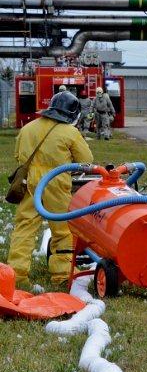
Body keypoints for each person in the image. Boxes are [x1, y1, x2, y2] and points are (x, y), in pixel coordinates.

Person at [7, 91, 93, 290]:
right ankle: (62, 274)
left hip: (30, 182)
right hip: (56, 182)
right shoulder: (70, 132)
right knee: (62, 229)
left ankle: (16, 275)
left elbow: (18, 156)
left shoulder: (28, 128)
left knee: (25, 227)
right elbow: (86, 160)